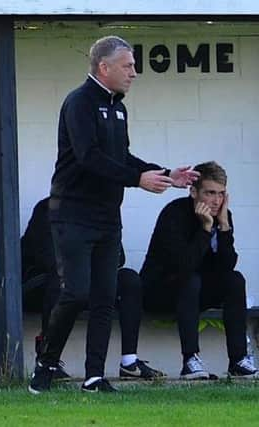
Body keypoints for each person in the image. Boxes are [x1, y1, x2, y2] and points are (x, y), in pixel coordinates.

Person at [28, 35, 199, 394]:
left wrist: (167, 175)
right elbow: (89, 157)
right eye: (128, 66)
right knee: (75, 292)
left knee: (106, 296)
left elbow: (122, 157)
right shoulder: (79, 102)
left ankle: (93, 376)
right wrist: (137, 179)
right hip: (73, 214)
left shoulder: (118, 107)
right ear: (104, 68)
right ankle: (45, 362)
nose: (134, 73)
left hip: (108, 216)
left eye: (134, 66)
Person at [22, 197, 164, 381]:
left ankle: (129, 362)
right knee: (60, 280)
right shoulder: (48, 209)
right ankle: (48, 361)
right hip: (44, 286)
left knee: (129, 279)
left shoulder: (103, 209)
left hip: (89, 281)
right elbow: (48, 257)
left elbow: (118, 257)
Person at [141, 161, 257, 379]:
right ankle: (190, 359)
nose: (216, 201)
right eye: (210, 193)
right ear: (193, 191)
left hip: (194, 290)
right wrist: (205, 229)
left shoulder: (223, 215)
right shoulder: (174, 214)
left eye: (221, 194)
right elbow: (183, 266)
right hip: (159, 291)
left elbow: (226, 267)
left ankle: (238, 359)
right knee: (190, 279)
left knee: (235, 280)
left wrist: (223, 227)